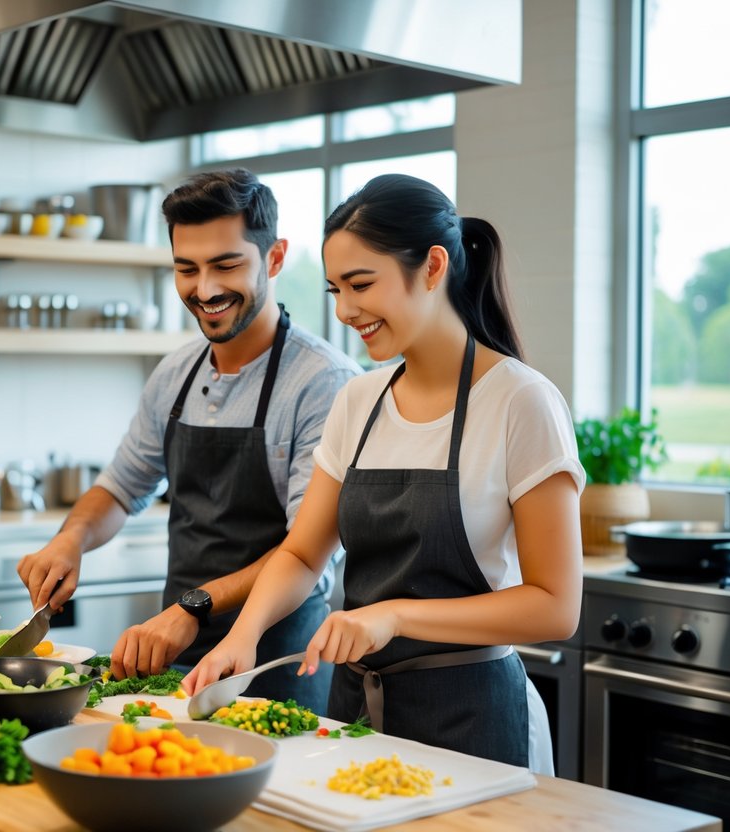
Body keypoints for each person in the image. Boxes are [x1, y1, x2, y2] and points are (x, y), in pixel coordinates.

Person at [183, 173, 584, 773]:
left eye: (361, 284)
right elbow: (300, 555)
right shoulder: (359, 400)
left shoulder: (521, 401)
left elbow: (556, 607)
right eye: (334, 289)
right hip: (357, 721)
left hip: (475, 723)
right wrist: (242, 634)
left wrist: (393, 616)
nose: (345, 310)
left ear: (433, 266)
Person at [17, 169, 362, 714]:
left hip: (273, 661)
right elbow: (121, 487)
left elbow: (306, 549)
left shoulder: (325, 384)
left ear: (274, 259)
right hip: (171, 652)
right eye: (187, 269)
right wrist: (70, 540)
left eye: (226, 265)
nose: (204, 290)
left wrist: (194, 606)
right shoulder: (175, 373)